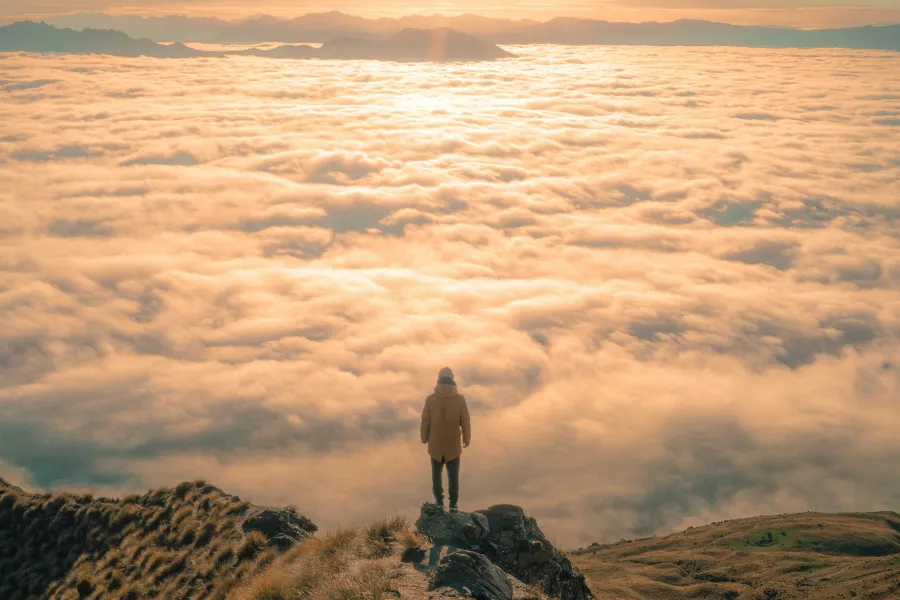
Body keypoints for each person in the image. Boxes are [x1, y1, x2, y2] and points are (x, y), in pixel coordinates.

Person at [420, 367, 471, 513]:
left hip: (435, 443)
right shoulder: (460, 399)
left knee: (436, 475)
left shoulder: (430, 399)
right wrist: (466, 438)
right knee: (453, 476)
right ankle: (454, 504)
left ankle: (439, 502)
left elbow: (425, 421)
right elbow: (465, 421)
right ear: (453, 379)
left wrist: (424, 438)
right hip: (453, 444)